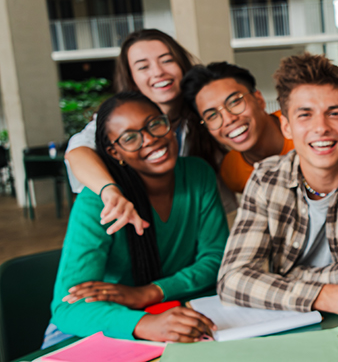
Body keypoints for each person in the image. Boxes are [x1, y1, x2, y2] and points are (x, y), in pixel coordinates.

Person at [217, 53, 338, 317]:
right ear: (286, 127)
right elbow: (231, 280)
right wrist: (325, 296)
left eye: (334, 113)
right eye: (305, 115)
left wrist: (272, 277)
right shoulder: (266, 178)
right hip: (285, 322)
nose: (320, 127)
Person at [49, 92, 229, 344]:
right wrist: (144, 323)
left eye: (155, 124)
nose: (150, 140)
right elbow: (68, 309)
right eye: (130, 138)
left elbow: (216, 258)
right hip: (99, 326)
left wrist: (150, 293)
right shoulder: (95, 201)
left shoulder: (198, 174)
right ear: (115, 153)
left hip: (169, 312)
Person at [64, 29, 227, 235]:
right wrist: (110, 191)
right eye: (143, 67)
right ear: (132, 79)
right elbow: (78, 152)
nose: (158, 72)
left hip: (189, 233)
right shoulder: (116, 121)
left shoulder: (205, 115)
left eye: (167, 61)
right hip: (136, 231)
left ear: (182, 66)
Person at [181, 62, 338, 194]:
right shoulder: (232, 173)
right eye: (212, 115)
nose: (229, 119)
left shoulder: (320, 117)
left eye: (234, 102)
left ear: (259, 99)